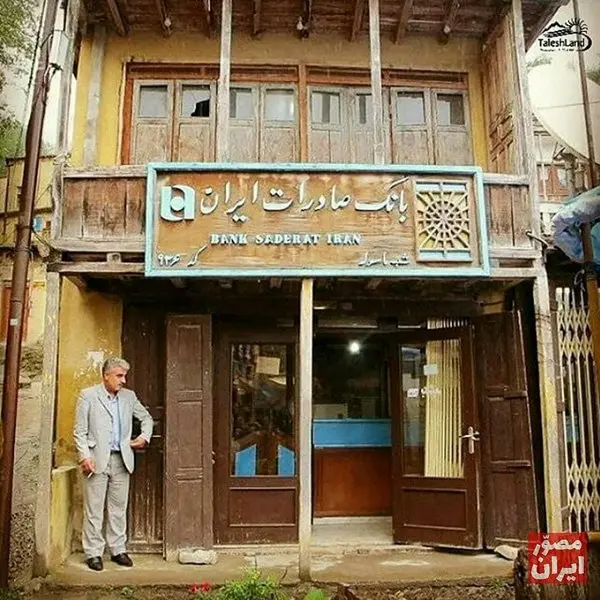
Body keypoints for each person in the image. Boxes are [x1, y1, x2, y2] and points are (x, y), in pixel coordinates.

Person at [74, 357, 153, 571]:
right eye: (119, 376)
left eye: (124, 376)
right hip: (96, 459)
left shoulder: (129, 397)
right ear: (106, 375)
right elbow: (80, 431)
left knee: (118, 508)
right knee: (94, 509)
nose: (123, 380)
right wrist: (84, 456)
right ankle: (93, 553)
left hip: (122, 459)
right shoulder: (88, 396)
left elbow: (146, 418)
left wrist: (144, 437)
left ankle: (118, 549)